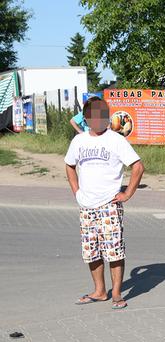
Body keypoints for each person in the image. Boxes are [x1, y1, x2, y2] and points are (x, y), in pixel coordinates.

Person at [64, 98, 145, 309]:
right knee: (92, 250)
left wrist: (127, 193)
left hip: (109, 204)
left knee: (114, 250)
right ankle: (100, 291)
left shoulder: (116, 140)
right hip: (87, 205)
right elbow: (69, 166)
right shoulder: (79, 141)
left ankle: (117, 293)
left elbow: (138, 167)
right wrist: (77, 192)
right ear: (87, 118)